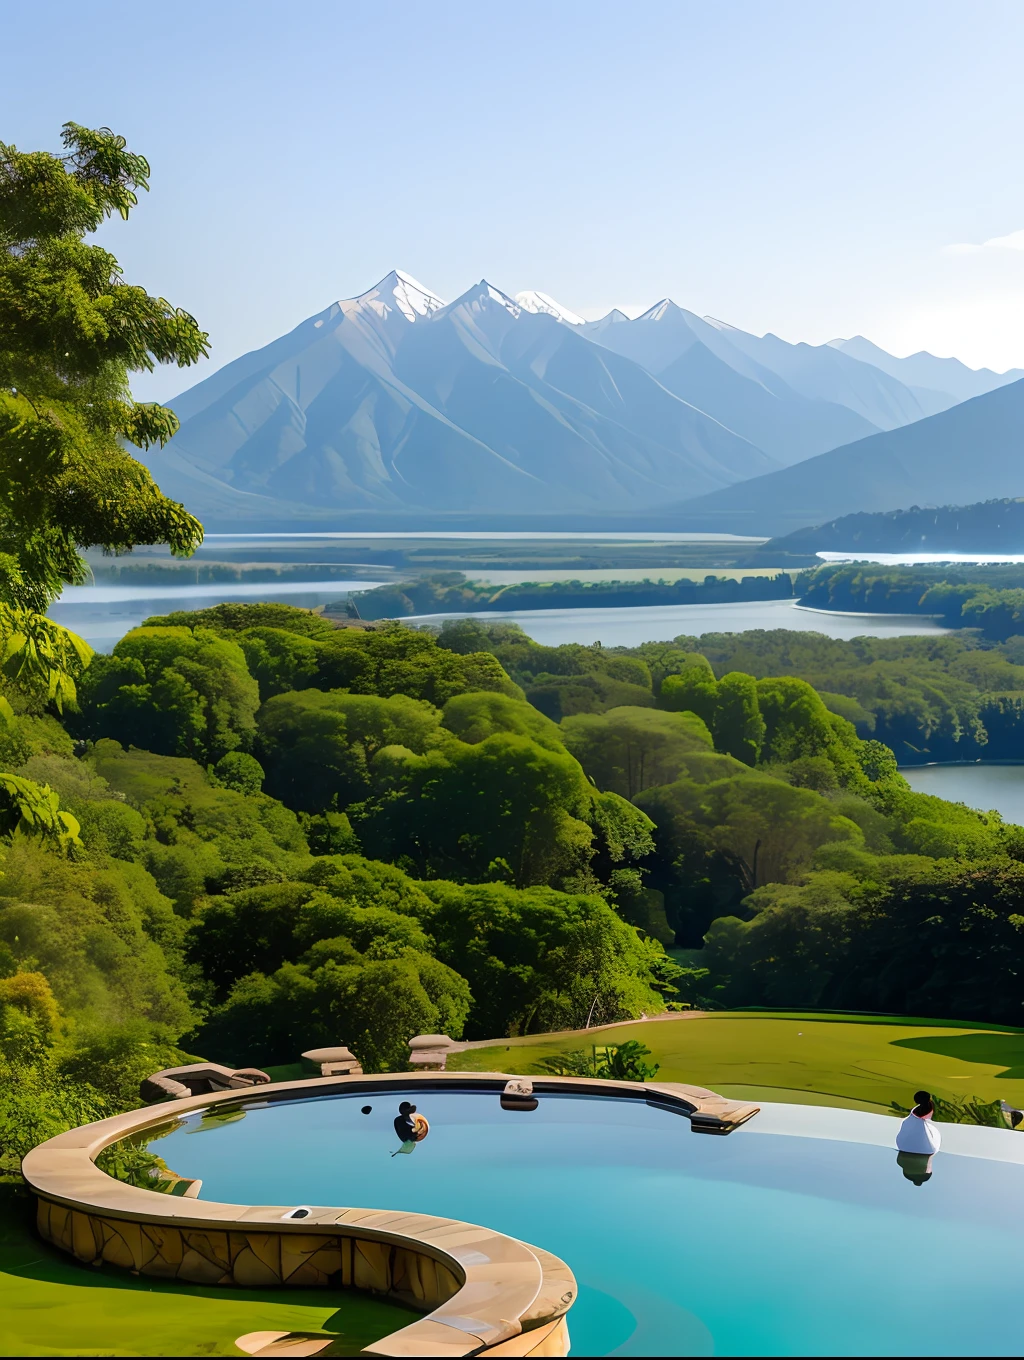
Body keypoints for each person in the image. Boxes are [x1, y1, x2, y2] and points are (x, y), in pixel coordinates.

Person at [895, 1089, 941, 1155]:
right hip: (926, 1151)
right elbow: (932, 1147)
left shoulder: (906, 1122)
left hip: (902, 1147)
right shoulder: (929, 1130)